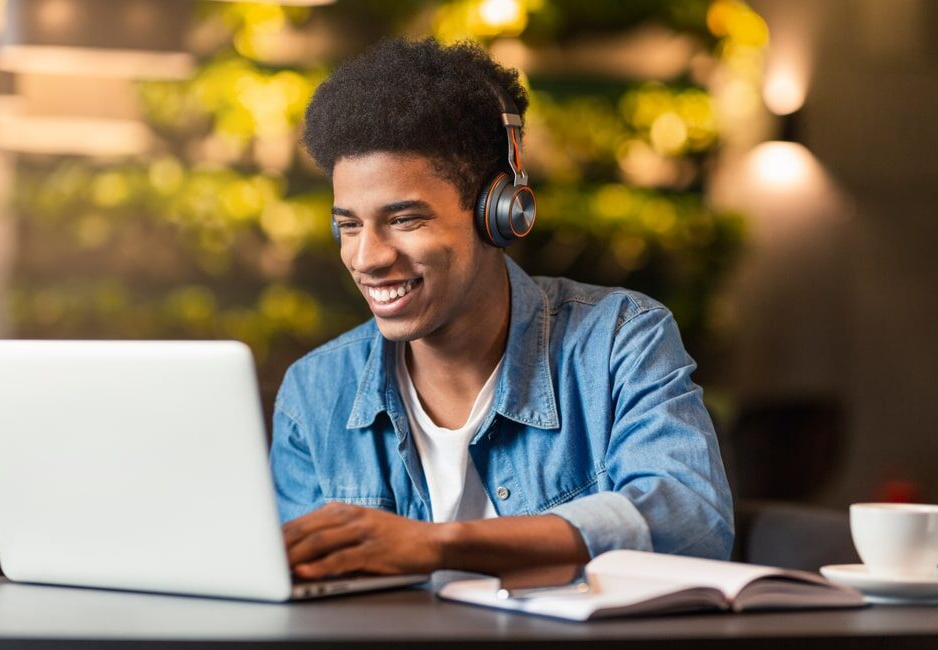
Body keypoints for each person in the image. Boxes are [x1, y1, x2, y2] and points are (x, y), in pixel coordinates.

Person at [272, 37, 733, 581]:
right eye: (349, 225)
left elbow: (693, 522)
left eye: (405, 220)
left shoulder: (620, 342)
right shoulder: (314, 391)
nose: (367, 258)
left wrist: (438, 545)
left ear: (500, 213)